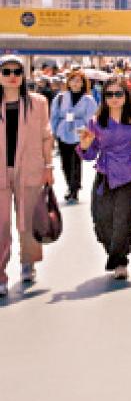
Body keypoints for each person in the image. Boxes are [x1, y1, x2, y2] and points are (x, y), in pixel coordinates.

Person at [77, 75, 131, 282]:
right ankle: (115, 253)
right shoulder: (96, 122)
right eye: (109, 94)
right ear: (103, 97)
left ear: (126, 95)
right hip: (104, 176)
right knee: (101, 223)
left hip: (130, 175)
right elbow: (88, 156)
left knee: (124, 221)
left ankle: (120, 262)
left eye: (118, 93)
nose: (114, 98)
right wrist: (85, 146)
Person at [0, 56, 54, 293]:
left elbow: (46, 135)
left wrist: (49, 166)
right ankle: (0, 273)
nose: (12, 75)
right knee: (1, 224)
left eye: (17, 71)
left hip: (30, 167)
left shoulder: (38, 102)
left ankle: (28, 262)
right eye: (6, 71)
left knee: (28, 219)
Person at [50, 68, 97, 204]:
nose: (76, 84)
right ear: (68, 82)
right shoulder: (60, 97)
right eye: (73, 80)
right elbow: (54, 116)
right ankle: (69, 185)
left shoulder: (88, 100)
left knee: (76, 161)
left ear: (83, 84)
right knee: (64, 162)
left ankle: (74, 189)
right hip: (63, 132)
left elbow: (91, 118)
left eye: (79, 81)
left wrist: (88, 133)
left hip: (79, 133)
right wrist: (53, 133)